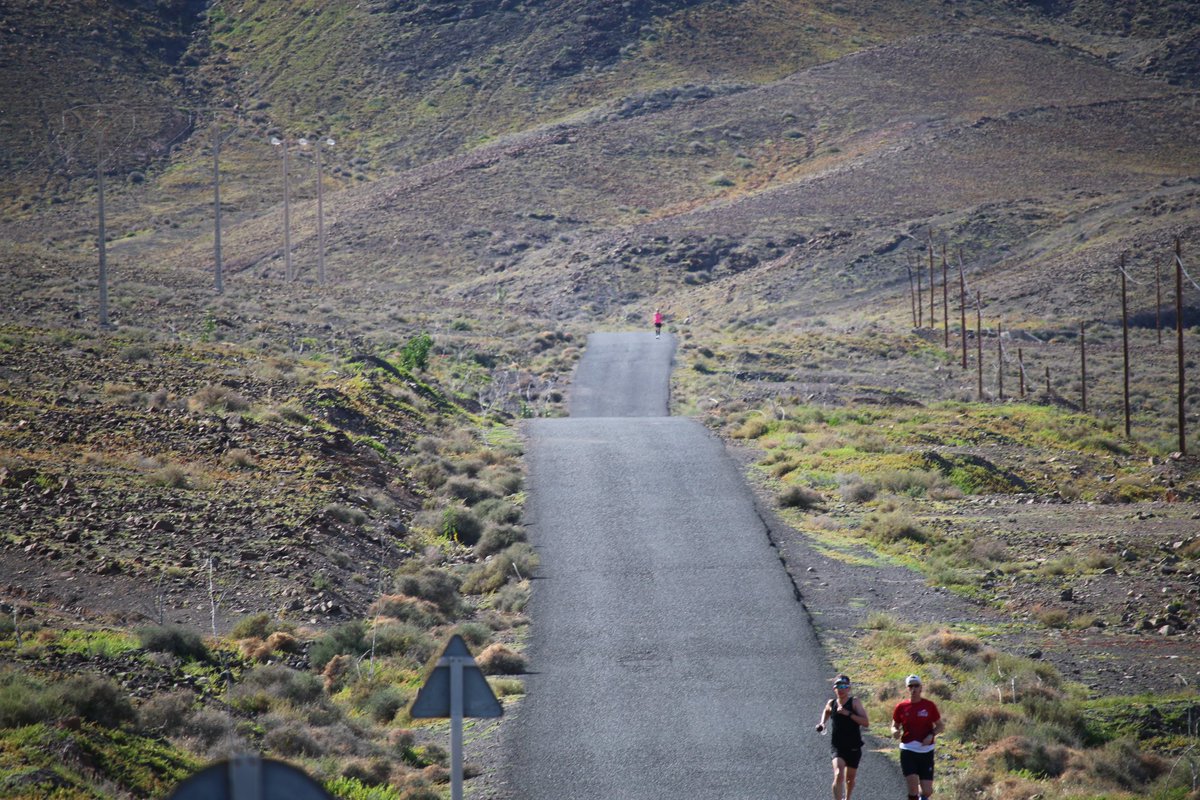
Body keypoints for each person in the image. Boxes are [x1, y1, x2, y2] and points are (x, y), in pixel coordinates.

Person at [815, 673, 869, 800]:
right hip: (838, 746)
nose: (841, 689)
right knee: (839, 774)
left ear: (848, 688)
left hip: (854, 746)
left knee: (850, 779)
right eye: (838, 686)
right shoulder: (832, 702)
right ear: (834, 688)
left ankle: (848, 798)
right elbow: (826, 711)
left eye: (844, 686)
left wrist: (848, 714)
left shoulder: (854, 702)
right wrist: (822, 723)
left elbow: (865, 722)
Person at [890, 674, 944, 800]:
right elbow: (894, 725)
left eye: (916, 686)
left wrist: (931, 735)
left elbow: (940, 726)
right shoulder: (901, 707)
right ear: (907, 688)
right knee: (912, 786)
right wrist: (894, 731)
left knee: (927, 791)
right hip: (908, 749)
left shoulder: (929, 706)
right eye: (910, 686)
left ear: (921, 688)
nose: (913, 689)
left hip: (926, 751)